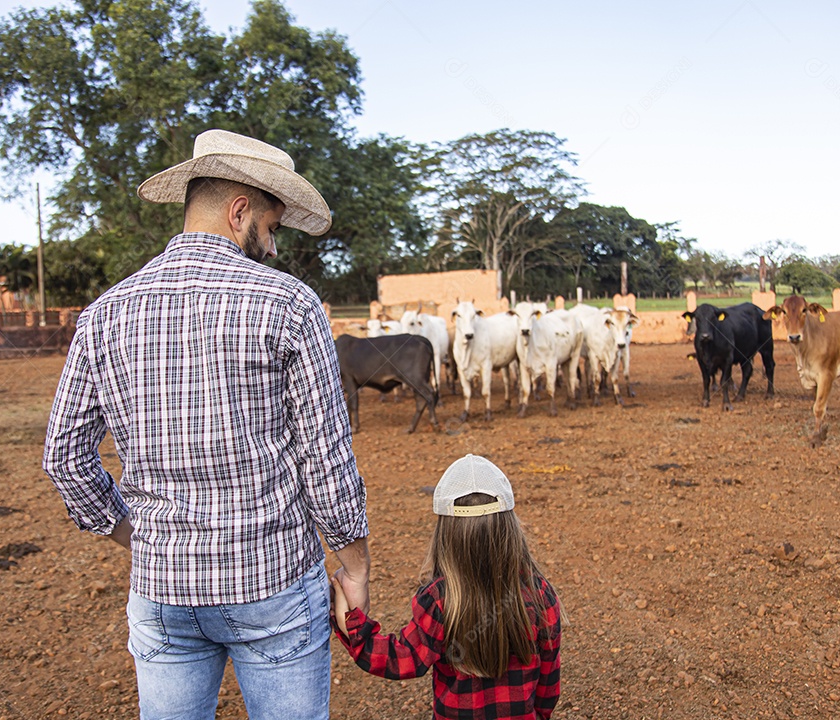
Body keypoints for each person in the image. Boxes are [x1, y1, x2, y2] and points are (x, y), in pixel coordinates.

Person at [42, 128, 370, 720]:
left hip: (162, 591)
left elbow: (64, 458)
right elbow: (325, 457)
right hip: (272, 583)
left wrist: (137, 537)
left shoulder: (103, 314)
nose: (273, 248)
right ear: (238, 211)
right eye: (271, 227)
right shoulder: (289, 304)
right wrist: (355, 568)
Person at [331, 454, 561, 720]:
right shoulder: (539, 594)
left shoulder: (439, 600)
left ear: (446, 535)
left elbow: (401, 659)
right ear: (510, 528)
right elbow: (548, 683)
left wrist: (352, 626)